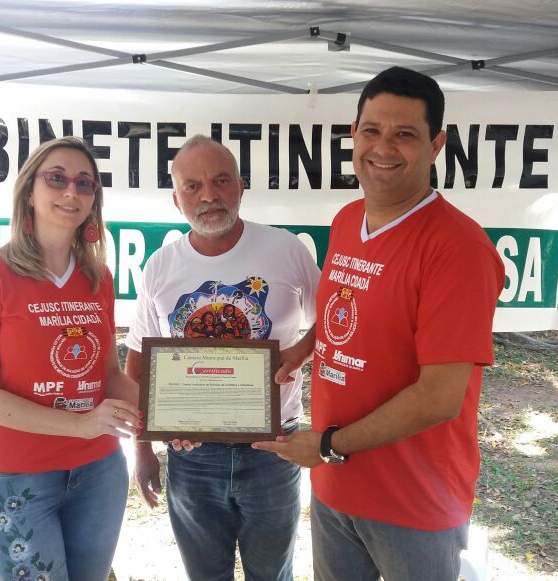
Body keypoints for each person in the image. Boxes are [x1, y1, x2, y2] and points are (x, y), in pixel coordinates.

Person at [253, 67, 505, 580]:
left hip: (415, 501)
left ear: (437, 145)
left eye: (405, 134)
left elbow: (439, 396)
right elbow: (350, 310)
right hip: (336, 488)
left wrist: (326, 446)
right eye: (372, 130)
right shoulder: (348, 219)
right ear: (353, 134)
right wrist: (306, 346)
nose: (383, 147)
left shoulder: (458, 249)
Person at [124, 135, 320, 581]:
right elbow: (139, 361)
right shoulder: (160, 265)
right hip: (192, 456)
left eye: (220, 181)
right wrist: (142, 447)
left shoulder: (287, 250)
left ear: (241, 187)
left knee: (272, 574)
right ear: (177, 200)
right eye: (192, 186)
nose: (208, 195)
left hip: (275, 450)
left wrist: (301, 350)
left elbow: (336, 318)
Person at [0, 137, 142, 581]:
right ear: (29, 192)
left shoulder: (98, 279)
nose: (71, 192)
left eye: (85, 184)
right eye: (56, 179)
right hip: (19, 475)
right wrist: (80, 424)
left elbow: (109, 375)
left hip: (99, 472)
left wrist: (169, 414)